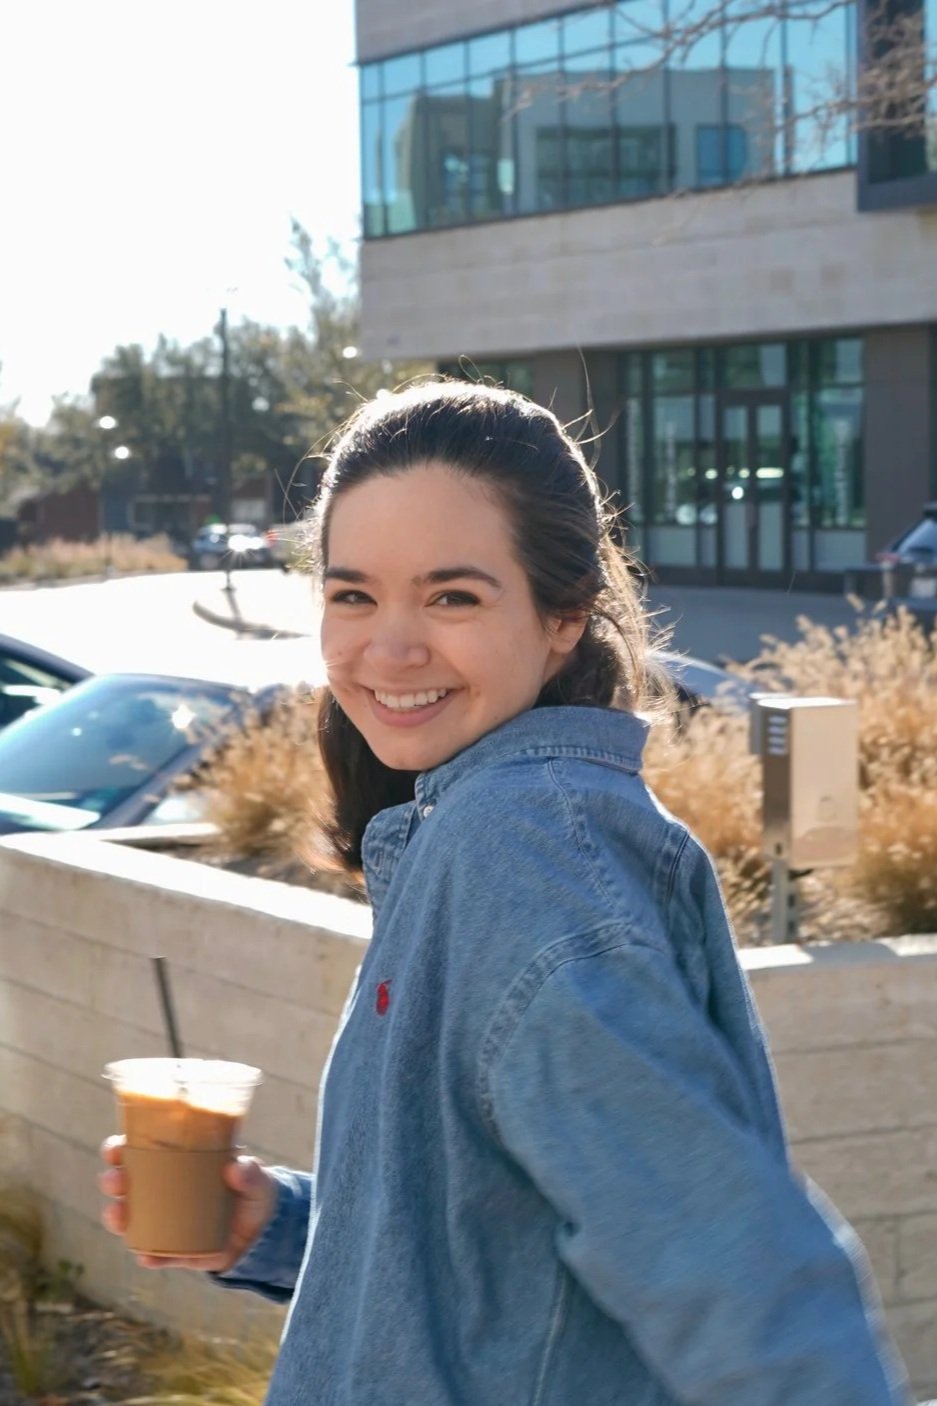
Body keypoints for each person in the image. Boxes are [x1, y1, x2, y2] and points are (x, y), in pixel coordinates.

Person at [100, 379, 911, 1404]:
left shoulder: (517, 851)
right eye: (352, 593)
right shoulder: (476, 828)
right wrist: (280, 1228)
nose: (387, 647)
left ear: (564, 613)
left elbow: (739, 1275)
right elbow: (487, 1285)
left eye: (452, 595)